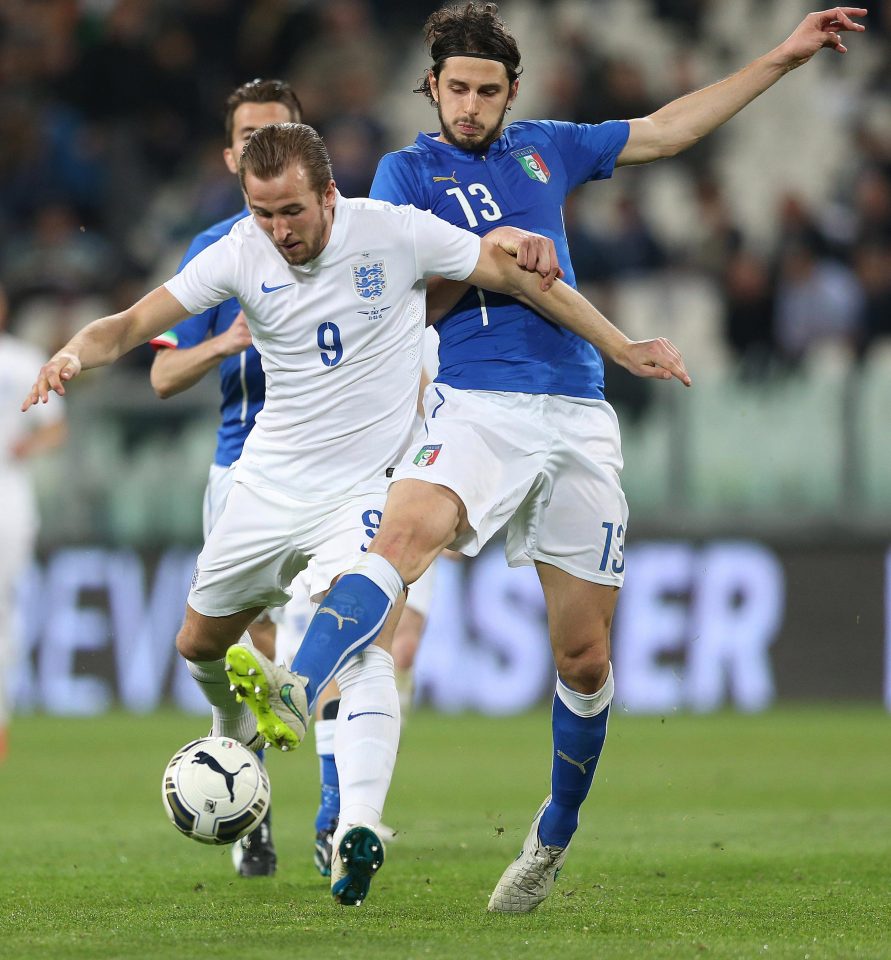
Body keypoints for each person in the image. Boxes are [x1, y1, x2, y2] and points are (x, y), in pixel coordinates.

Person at [225, 2, 866, 913]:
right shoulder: (406, 173)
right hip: (474, 405)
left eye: (488, 91)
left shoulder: (548, 149)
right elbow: (408, 300)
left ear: (511, 92)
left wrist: (785, 57)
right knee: (403, 536)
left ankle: (551, 836)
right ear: (433, 85)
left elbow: (667, 129)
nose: (472, 107)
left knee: (583, 660)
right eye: (457, 89)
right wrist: (488, 257)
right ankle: (297, 687)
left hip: (573, 413)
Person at [22, 121, 687, 907]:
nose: (278, 231)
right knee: (198, 644)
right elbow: (129, 325)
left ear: (328, 196)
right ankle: (239, 730)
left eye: (291, 213)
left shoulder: (394, 233)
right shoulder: (238, 251)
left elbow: (511, 273)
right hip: (267, 486)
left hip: (366, 487)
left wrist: (617, 345)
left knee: (369, 645)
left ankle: (353, 821)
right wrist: (71, 353)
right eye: (263, 213)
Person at [149, 77, 302, 880]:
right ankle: (248, 813)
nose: (262, 148)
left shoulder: (353, 235)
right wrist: (226, 341)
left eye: (277, 132)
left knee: (342, 645)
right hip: (244, 469)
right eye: (249, 137)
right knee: (238, 650)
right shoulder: (214, 249)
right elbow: (163, 379)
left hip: (341, 471)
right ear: (228, 154)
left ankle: (347, 814)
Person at [0, 283, 67, 761]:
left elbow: (55, 425)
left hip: (8, 494)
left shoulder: (21, 359)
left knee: (2, 611)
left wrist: (29, 446)